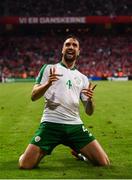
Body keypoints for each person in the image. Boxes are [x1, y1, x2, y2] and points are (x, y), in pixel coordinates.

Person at [19, 35, 110, 169]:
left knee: (103, 162)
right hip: (51, 124)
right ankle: (28, 153)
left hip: (75, 126)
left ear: (78, 52)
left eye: (74, 45)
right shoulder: (48, 68)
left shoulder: (83, 78)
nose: (71, 47)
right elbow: (33, 96)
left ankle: (81, 155)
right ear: (62, 50)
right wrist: (48, 84)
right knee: (25, 164)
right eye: (67, 44)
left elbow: (89, 112)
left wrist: (90, 100)